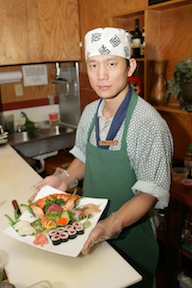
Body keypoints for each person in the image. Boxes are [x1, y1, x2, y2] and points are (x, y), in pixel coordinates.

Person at [34, 27, 173, 287]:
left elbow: (149, 193)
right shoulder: (90, 112)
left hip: (131, 239)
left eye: (111, 63)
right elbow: (85, 158)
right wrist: (63, 179)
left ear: (130, 67)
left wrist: (111, 226)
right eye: (93, 65)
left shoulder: (148, 124)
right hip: (90, 229)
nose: (101, 75)